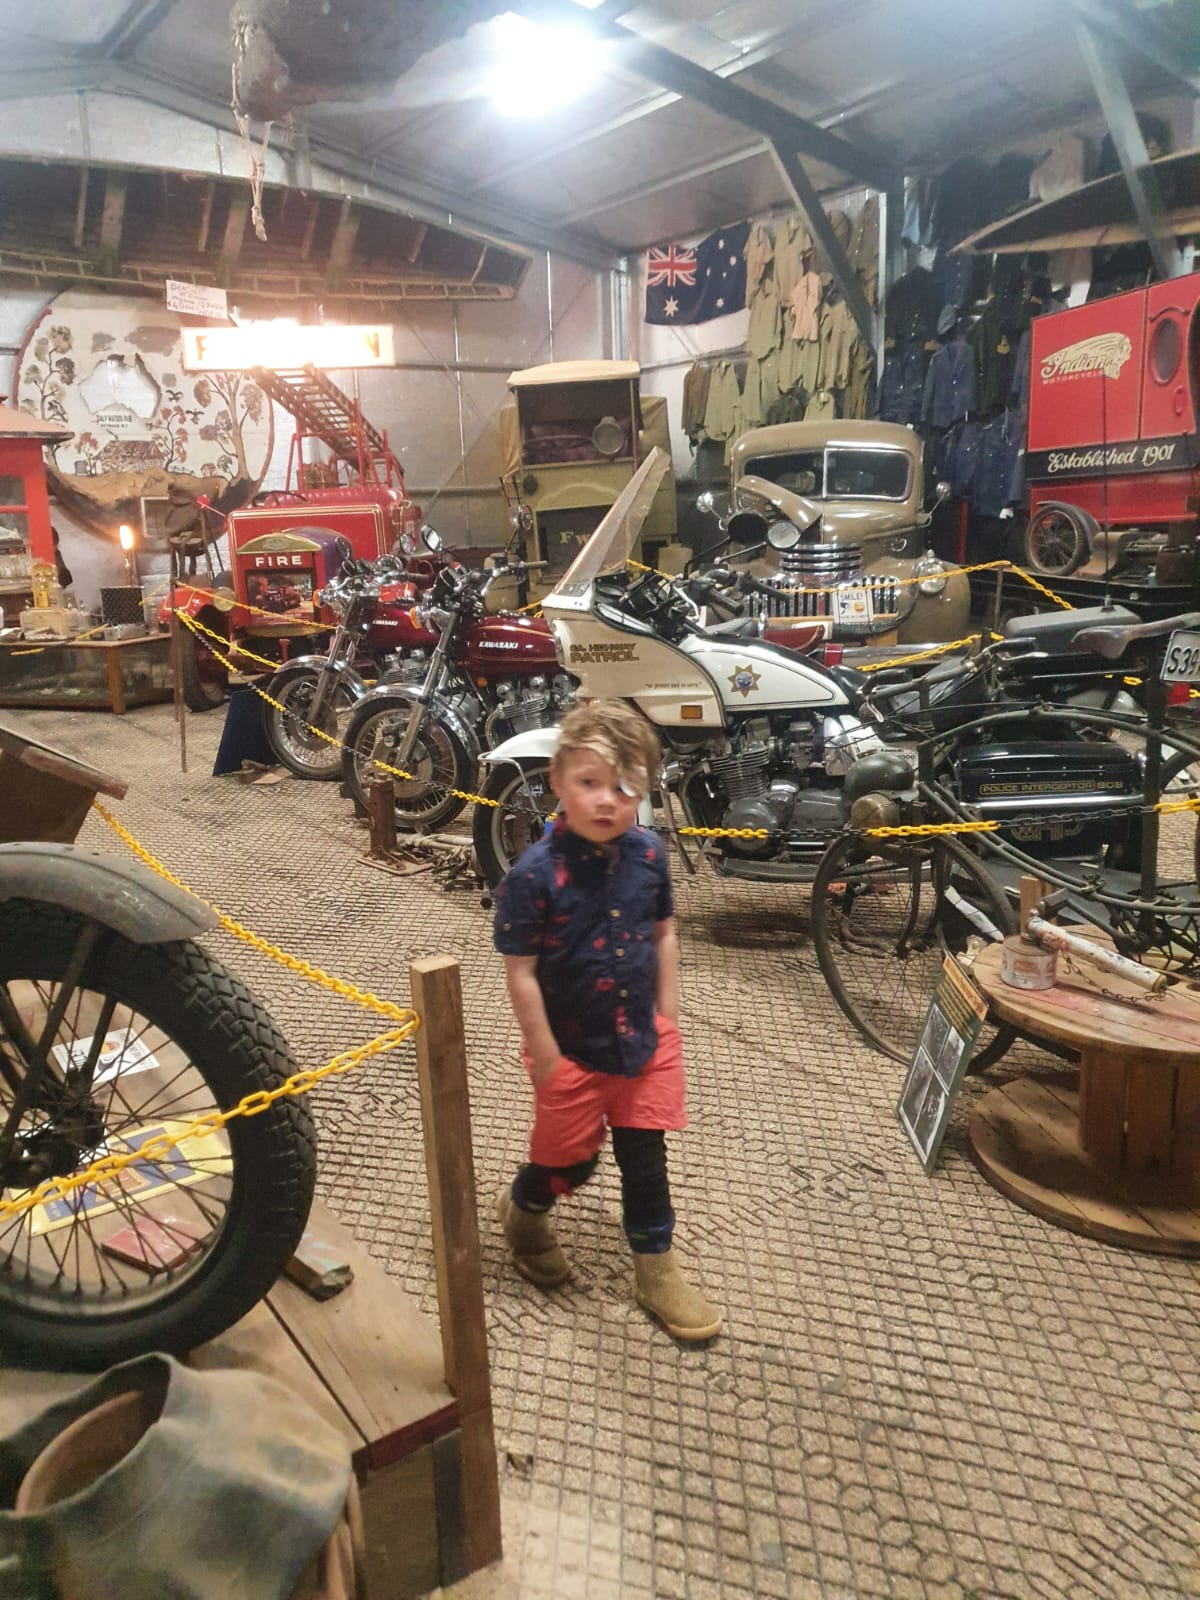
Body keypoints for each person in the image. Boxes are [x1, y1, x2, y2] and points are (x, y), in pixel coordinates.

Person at [492, 699, 722, 1344]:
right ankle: (526, 1210)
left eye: (624, 787)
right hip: (569, 1050)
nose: (605, 800)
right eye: (589, 782)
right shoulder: (533, 876)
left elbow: (665, 932)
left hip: (643, 1042)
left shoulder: (649, 855)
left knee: (645, 1159)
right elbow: (521, 971)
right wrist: (544, 1054)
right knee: (572, 1162)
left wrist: (668, 1015)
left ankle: (657, 1270)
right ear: (558, 780)